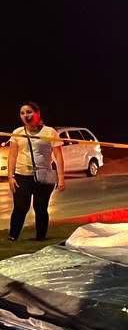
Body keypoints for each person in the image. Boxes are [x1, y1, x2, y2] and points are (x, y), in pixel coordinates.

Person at [5, 102, 65, 242]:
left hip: (44, 176)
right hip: (22, 176)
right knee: (20, 207)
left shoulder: (50, 132)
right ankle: (13, 236)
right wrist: (10, 176)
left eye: (29, 111)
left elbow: (58, 156)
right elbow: (12, 155)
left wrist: (61, 178)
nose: (26, 115)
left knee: (41, 208)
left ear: (38, 113)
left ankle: (41, 237)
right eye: (22, 113)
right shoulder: (17, 132)